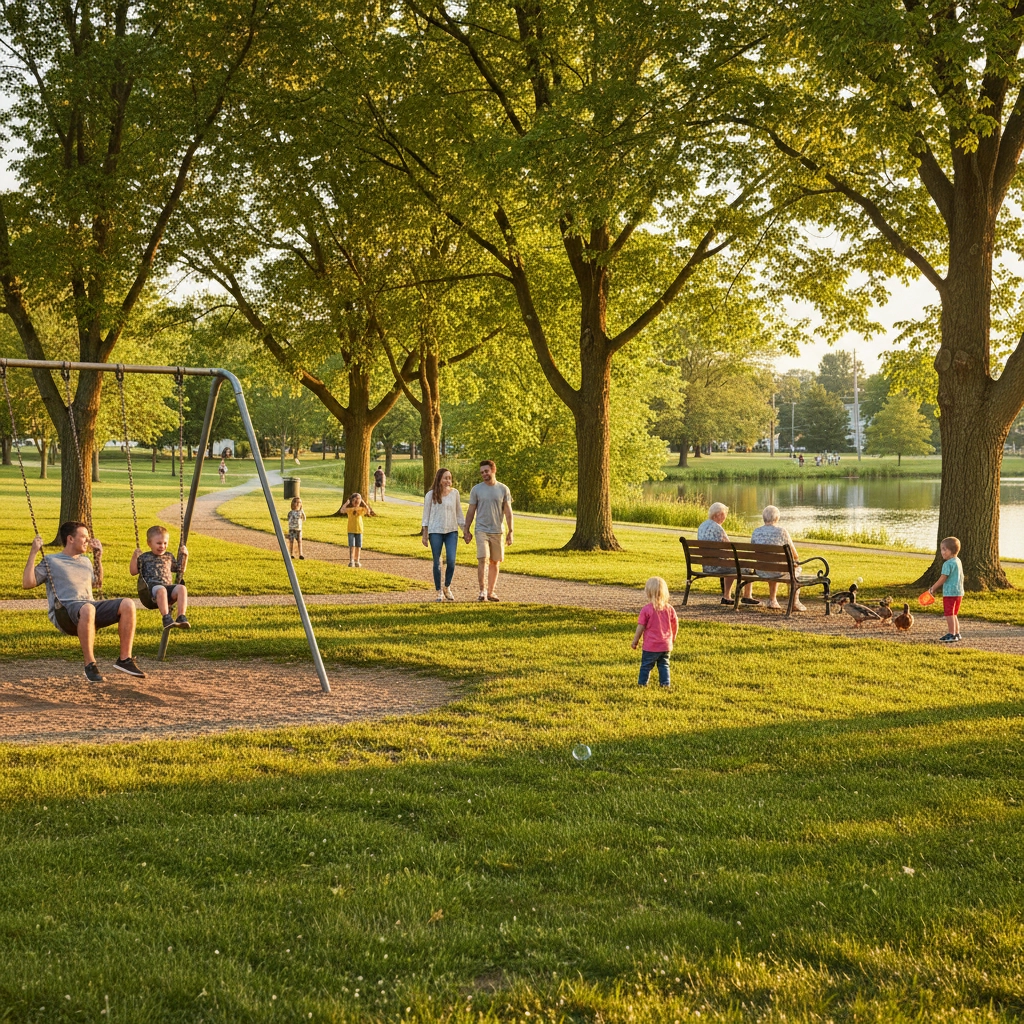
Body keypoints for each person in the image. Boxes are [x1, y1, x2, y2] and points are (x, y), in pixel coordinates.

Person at [23, 521, 144, 682]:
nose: (88, 541)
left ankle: (124, 659)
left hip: (89, 607)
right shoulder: (51, 561)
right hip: (65, 611)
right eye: (84, 537)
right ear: (70, 539)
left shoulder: (85, 561)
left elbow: (97, 583)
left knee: (128, 604)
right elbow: (27, 583)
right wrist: (33, 552)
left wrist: (97, 557)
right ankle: (90, 665)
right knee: (88, 608)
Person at [464, 459, 513, 602]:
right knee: (482, 559)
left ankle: (491, 592)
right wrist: (466, 530)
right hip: (481, 530)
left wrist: (511, 531)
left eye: (486, 471)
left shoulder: (503, 489)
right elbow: (471, 511)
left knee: (495, 561)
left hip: (497, 530)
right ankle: (482, 591)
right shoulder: (476, 489)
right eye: (481, 472)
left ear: (493, 470)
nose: (484, 474)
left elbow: (508, 512)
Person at [696, 502, 758, 606]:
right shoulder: (717, 528)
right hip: (718, 566)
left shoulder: (702, 526)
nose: (725, 518)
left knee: (729, 563)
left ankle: (727, 596)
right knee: (748, 567)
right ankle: (747, 596)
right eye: (724, 515)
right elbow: (729, 547)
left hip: (707, 565)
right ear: (718, 515)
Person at [130, 526, 191, 630]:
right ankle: (166, 618)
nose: (162, 546)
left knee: (182, 588)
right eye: (158, 543)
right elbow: (133, 571)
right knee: (161, 590)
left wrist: (185, 555)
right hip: (151, 591)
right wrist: (135, 556)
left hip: (168, 588)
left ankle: (181, 616)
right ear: (149, 543)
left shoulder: (169, 556)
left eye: (165, 543)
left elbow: (180, 570)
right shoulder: (144, 557)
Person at [750, 505, 806, 612]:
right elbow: (795, 555)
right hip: (778, 570)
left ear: (764, 518)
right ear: (777, 518)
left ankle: (773, 600)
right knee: (796, 567)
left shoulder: (756, 532)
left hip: (761, 570)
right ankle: (794, 603)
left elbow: (754, 552)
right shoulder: (782, 532)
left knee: (773, 565)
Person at [421, 467, 466, 602]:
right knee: (437, 562)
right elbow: (426, 515)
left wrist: (465, 530)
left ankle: (447, 586)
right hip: (435, 531)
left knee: (451, 561)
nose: (448, 480)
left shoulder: (455, 494)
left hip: (451, 531)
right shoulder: (430, 495)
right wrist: (425, 533)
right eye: (445, 478)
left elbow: (459, 513)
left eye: (450, 478)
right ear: (439, 479)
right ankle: (439, 591)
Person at [631, 577, 678, 688]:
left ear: (648, 592)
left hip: (650, 646)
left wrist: (635, 641)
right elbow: (675, 624)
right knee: (664, 665)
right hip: (665, 645)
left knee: (646, 666)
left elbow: (640, 627)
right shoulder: (670, 609)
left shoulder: (646, 610)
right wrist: (672, 637)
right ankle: (665, 684)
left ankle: (642, 684)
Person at [927, 536, 964, 643]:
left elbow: (943, 578)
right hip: (959, 592)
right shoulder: (958, 561)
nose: (942, 552)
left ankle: (951, 634)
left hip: (949, 593)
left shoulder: (947, 564)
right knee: (954, 614)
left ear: (952, 550)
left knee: (949, 614)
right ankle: (957, 633)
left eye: (944, 549)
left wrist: (932, 589)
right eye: (941, 549)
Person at [339, 493, 370, 567]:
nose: (356, 502)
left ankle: (357, 560)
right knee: (351, 546)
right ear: (352, 501)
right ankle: (351, 560)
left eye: (358, 500)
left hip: (359, 529)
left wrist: (363, 502)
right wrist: (346, 503)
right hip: (351, 529)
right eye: (354, 500)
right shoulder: (350, 510)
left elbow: (368, 511)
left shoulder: (361, 509)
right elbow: (342, 511)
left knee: (358, 546)